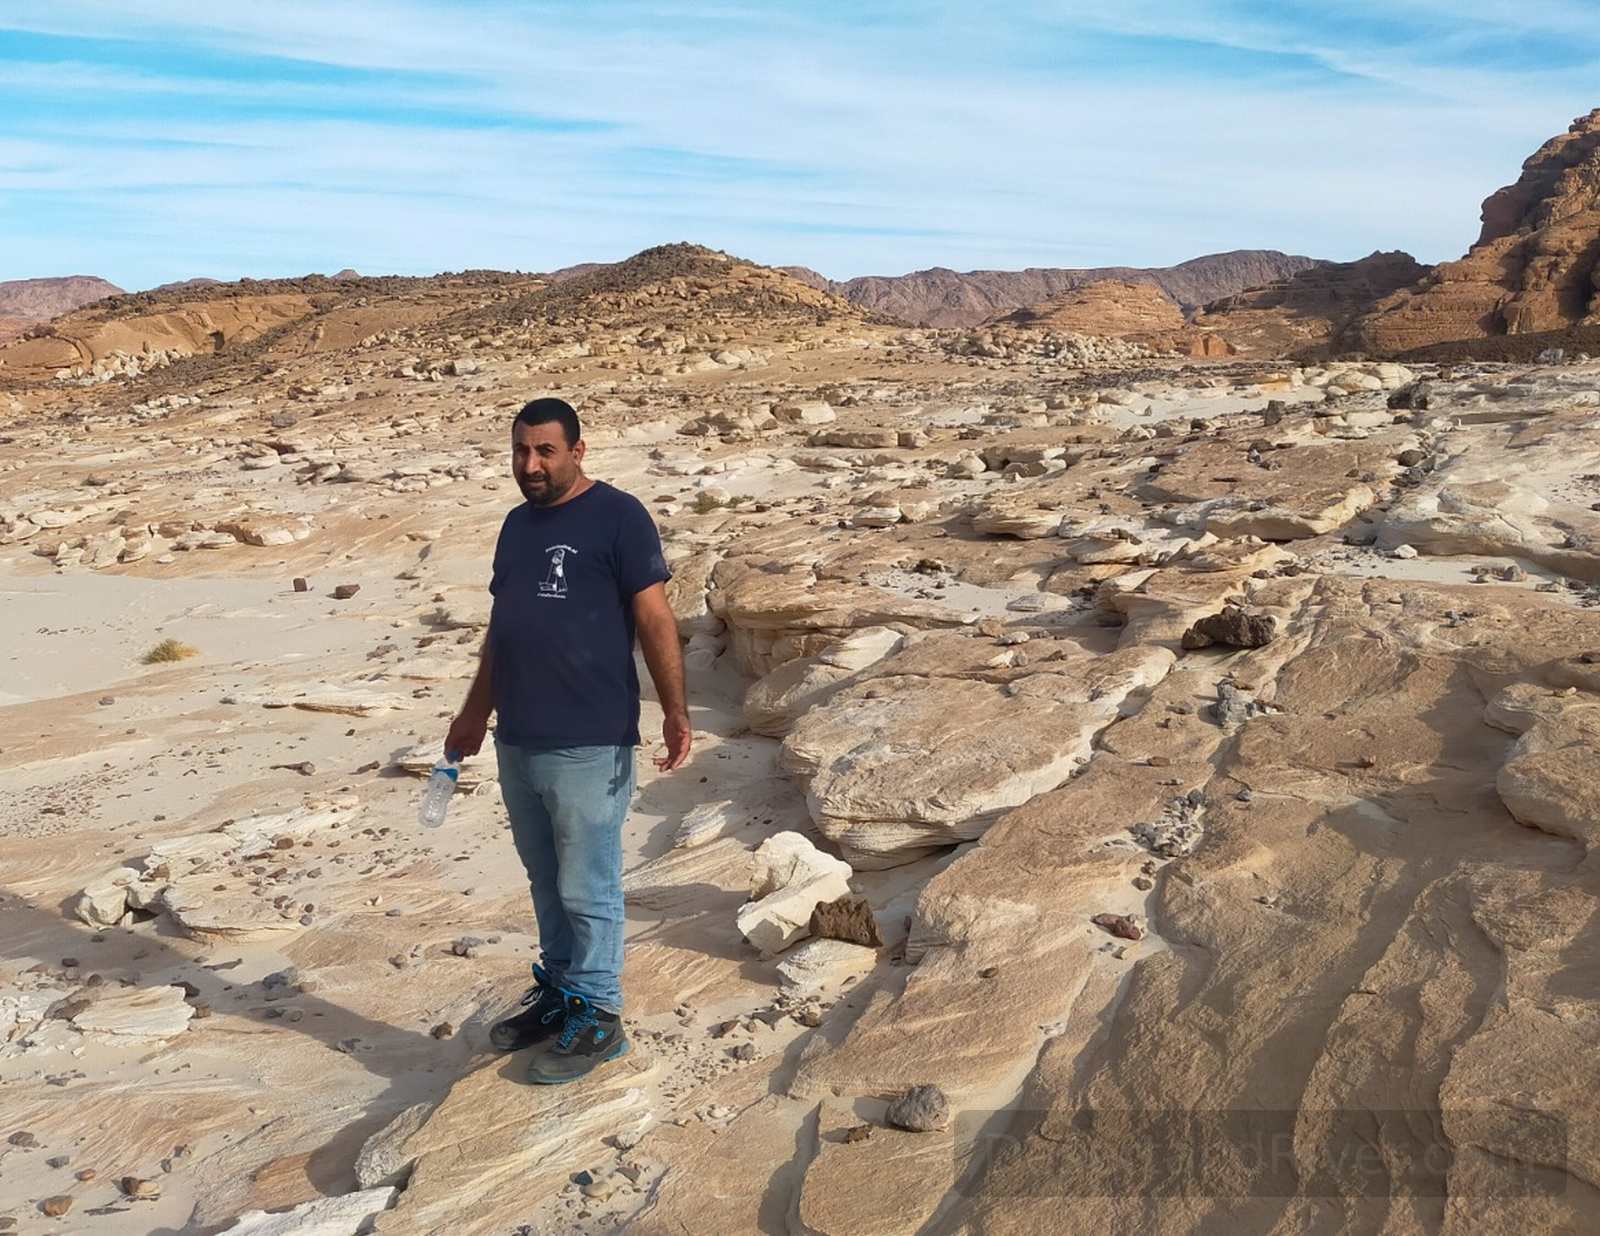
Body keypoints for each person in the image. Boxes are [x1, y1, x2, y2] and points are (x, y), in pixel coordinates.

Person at [445, 396, 691, 1084]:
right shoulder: (516, 527)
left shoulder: (618, 516)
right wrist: (473, 715)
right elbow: (505, 629)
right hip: (518, 735)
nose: (531, 465)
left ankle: (601, 1014)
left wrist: (675, 710)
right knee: (547, 881)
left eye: (545, 451)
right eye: (521, 450)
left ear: (578, 451)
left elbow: (655, 619)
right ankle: (560, 995)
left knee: (588, 883)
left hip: (588, 737)